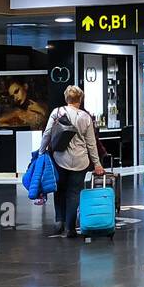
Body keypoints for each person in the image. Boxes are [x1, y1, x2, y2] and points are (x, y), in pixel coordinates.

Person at [41, 86, 105, 238]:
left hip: (59, 159)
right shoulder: (85, 117)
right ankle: (70, 228)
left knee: (59, 190)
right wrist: (97, 164)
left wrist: (41, 151)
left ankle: (59, 222)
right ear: (80, 99)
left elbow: (47, 134)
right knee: (74, 193)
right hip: (80, 161)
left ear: (66, 98)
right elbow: (91, 143)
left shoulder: (57, 112)